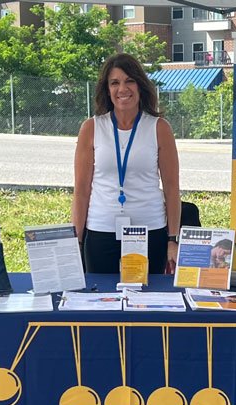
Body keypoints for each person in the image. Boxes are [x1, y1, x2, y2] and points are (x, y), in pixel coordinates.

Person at [71, 53, 181, 274]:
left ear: (140, 86)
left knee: (146, 304)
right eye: (115, 83)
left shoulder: (159, 128)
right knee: (101, 302)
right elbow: (81, 191)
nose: (123, 89)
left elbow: (171, 189)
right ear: (107, 90)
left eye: (129, 80)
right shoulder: (91, 128)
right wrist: (76, 241)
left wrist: (173, 239)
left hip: (150, 232)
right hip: (101, 231)